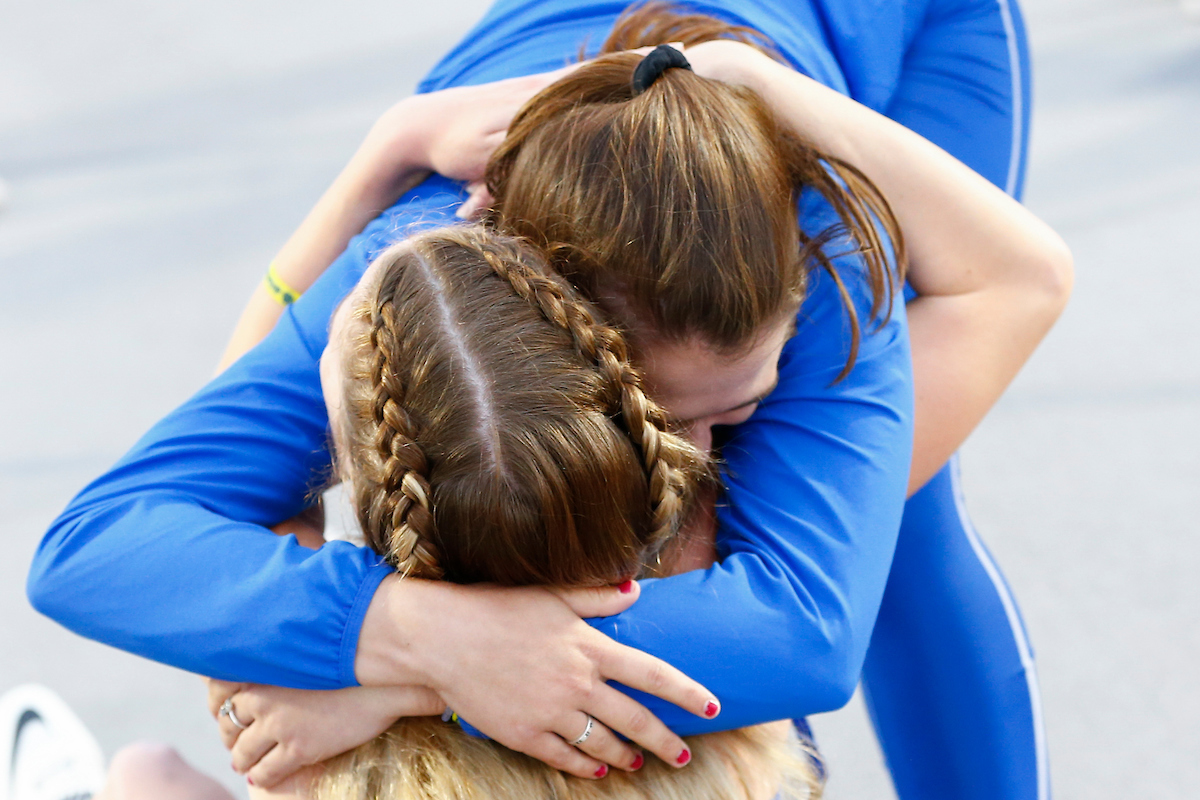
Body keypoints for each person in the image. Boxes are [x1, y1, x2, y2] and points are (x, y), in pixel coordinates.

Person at [28, 3, 1071, 799]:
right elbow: (97, 547)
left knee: (883, 522)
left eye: (737, 402)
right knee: (547, 518)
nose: (714, 451)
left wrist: (402, 679)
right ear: (541, 320)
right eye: (672, 411)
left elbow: (804, 629)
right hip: (558, 130)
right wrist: (404, 628)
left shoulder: (830, 255)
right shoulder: (428, 261)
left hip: (907, 35)